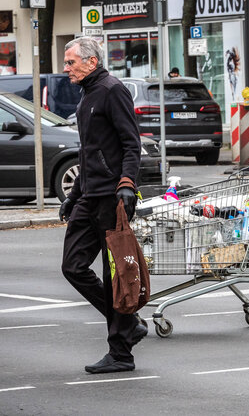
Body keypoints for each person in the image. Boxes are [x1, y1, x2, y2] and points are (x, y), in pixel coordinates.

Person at [59, 36, 146, 374]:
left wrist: (127, 184)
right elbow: (88, 152)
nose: (66, 69)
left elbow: (131, 143)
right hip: (89, 196)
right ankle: (128, 324)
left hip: (112, 198)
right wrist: (74, 194)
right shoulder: (87, 96)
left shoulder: (112, 90)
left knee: (115, 279)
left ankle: (121, 353)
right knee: (73, 267)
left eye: (71, 63)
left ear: (91, 62)